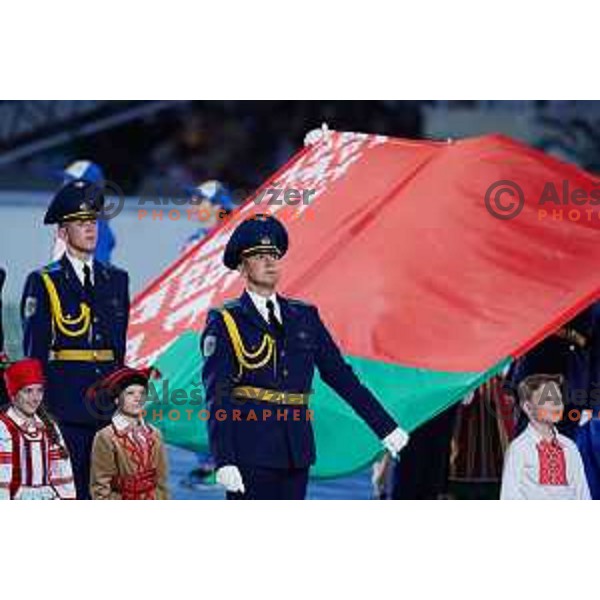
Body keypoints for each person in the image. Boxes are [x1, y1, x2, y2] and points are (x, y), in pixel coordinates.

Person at [201, 214, 409, 500]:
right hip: (250, 451)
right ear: (241, 266)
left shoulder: (304, 316)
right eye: (259, 256)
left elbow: (341, 376)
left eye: (274, 255)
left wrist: (385, 428)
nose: (270, 262)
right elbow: (218, 395)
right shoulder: (225, 320)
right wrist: (224, 459)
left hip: (295, 451)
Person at [20, 180, 130, 499]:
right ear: (62, 233)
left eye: (93, 221)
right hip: (64, 405)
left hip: (107, 405)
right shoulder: (43, 281)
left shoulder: (117, 280)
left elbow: (118, 348)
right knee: (69, 492)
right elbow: (34, 352)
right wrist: (38, 412)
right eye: (80, 224)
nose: (90, 229)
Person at [500, 373, 590, 500]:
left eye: (559, 399)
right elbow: (509, 495)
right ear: (528, 407)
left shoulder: (570, 447)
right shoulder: (519, 449)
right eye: (548, 399)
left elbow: (582, 493)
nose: (556, 404)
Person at [0, 358, 76, 500]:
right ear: (13, 394)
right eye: (28, 391)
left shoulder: (49, 426)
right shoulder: (4, 427)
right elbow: (2, 478)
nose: (35, 398)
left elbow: (61, 470)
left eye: (39, 391)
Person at [89, 366, 169, 500]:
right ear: (116, 400)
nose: (137, 398)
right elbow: (100, 486)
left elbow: (162, 480)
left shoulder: (155, 434)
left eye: (142, 393)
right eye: (130, 393)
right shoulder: (106, 436)